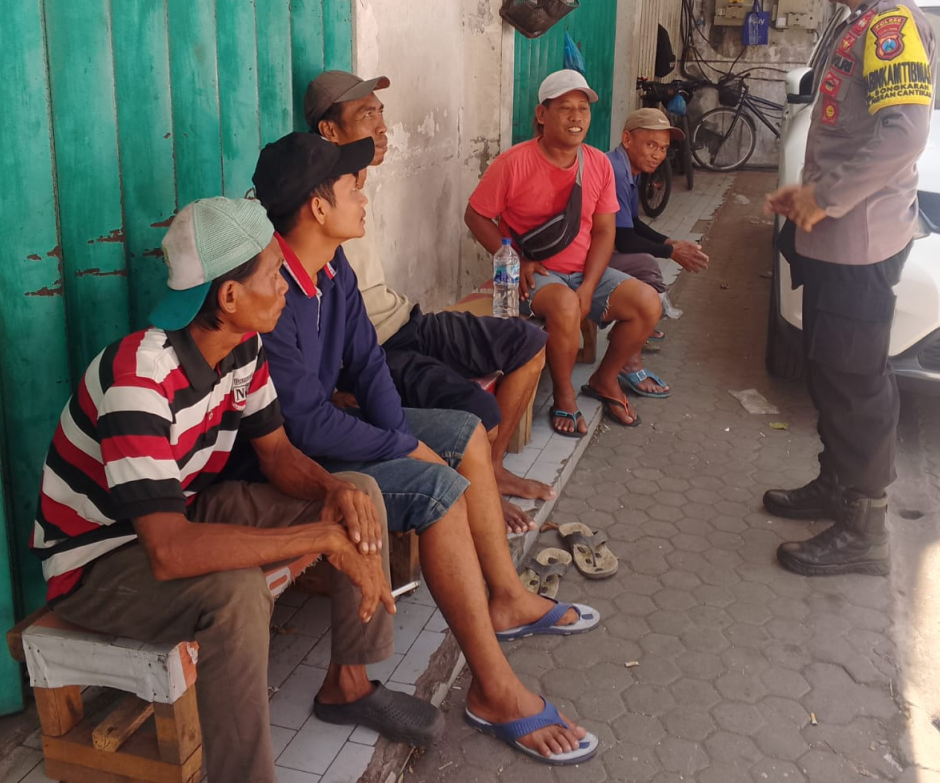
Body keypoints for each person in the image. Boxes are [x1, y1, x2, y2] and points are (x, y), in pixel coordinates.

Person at [31, 196, 440, 783]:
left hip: (188, 507)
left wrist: (331, 492)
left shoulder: (242, 346)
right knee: (237, 593)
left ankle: (348, 685)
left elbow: (277, 453)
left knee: (356, 493)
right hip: (98, 561)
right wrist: (320, 537)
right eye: (274, 274)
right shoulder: (137, 381)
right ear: (228, 296)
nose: (285, 286)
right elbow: (168, 551)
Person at [252, 131, 599, 766]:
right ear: (317, 208)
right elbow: (303, 428)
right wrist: (403, 448)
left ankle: (505, 597)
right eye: (351, 188)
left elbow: (368, 365)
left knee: (462, 434)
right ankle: (494, 691)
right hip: (292, 461)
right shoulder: (269, 290)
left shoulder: (332, 267)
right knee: (439, 488)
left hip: (329, 430)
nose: (364, 196)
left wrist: (403, 439)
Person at [764, 0, 934, 576]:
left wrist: (824, 196)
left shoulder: (891, 23)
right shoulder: (861, 19)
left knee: (857, 380)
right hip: (837, 237)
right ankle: (836, 484)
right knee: (831, 368)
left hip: (860, 241)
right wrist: (809, 196)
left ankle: (864, 529)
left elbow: (904, 134)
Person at [305, 69, 550, 535]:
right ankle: (478, 490)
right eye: (366, 115)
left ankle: (493, 470)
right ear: (329, 131)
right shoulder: (316, 203)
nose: (383, 126)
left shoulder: (356, 186)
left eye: (380, 113)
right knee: (479, 416)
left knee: (529, 341)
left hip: (406, 321)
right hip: (375, 350)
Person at [464, 70, 663, 435]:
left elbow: (604, 231)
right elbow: (475, 215)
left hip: (584, 271)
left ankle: (605, 379)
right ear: (542, 114)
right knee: (566, 306)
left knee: (648, 302)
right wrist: (514, 260)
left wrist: (589, 285)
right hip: (534, 276)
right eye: (565, 108)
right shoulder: (513, 162)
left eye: (583, 109)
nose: (576, 117)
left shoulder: (597, 163)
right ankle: (564, 396)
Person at [606, 107, 713, 395]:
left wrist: (670, 243)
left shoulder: (630, 168)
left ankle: (634, 330)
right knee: (646, 266)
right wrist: (671, 252)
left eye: (663, 148)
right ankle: (629, 355)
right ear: (627, 139)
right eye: (651, 145)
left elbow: (632, 222)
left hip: (598, 250)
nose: (657, 154)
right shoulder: (615, 171)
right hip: (578, 259)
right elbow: (625, 240)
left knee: (646, 265)